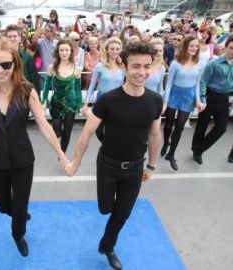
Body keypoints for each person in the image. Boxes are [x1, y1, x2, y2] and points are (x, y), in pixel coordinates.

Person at [0, 38, 69, 257]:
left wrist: (61, 155)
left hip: (23, 159)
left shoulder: (27, 90)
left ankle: (18, 234)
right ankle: (18, 213)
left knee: (20, 208)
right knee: (4, 206)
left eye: (6, 65)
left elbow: (43, 124)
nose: (0, 70)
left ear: (15, 63)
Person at [66, 42, 162, 270]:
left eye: (147, 66)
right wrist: (76, 163)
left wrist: (151, 166)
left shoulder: (155, 101)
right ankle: (109, 224)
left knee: (123, 213)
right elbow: (87, 132)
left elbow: (155, 135)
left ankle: (107, 245)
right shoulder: (108, 99)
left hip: (135, 168)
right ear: (124, 66)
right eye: (136, 66)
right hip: (108, 165)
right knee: (105, 209)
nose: (142, 72)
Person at [161, 36, 205, 170]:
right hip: (174, 94)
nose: (194, 48)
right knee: (168, 124)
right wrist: (165, 101)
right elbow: (168, 84)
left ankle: (171, 154)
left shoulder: (200, 63)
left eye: (196, 46)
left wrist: (198, 99)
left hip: (188, 96)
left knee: (179, 127)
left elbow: (197, 84)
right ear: (185, 46)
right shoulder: (175, 63)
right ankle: (165, 143)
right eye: (191, 45)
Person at [191, 36, 233, 164]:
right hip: (209, 97)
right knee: (201, 126)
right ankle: (197, 152)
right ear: (225, 48)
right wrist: (203, 99)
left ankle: (198, 149)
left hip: (224, 99)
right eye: (231, 48)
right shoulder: (214, 63)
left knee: (221, 128)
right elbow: (203, 82)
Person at [41, 39, 83, 153]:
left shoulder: (76, 69)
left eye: (66, 50)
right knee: (57, 132)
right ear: (58, 52)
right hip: (56, 103)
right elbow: (46, 86)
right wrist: (43, 100)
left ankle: (62, 154)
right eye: (61, 50)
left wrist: (80, 104)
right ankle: (59, 147)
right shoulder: (52, 67)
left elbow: (78, 89)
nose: (64, 52)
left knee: (67, 132)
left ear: (70, 52)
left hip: (71, 104)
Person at [81, 37, 125, 142]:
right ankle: (106, 146)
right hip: (102, 100)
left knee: (113, 130)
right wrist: (85, 104)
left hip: (117, 101)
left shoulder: (123, 67)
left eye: (117, 49)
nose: (114, 51)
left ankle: (108, 150)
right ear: (107, 50)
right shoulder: (99, 66)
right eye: (112, 49)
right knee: (99, 131)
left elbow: (124, 85)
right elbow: (91, 86)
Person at [5, 24, 41, 96]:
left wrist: (37, 99)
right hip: (6, 94)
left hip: (24, 95)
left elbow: (34, 80)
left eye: (14, 36)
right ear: (6, 38)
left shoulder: (27, 57)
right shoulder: (1, 57)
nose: (12, 39)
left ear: (19, 38)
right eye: (9, 36)